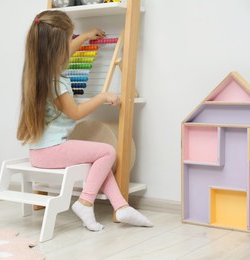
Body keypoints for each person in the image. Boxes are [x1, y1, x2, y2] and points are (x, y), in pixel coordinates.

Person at [17, 10, 153, 231]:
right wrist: (102, 96)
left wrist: (84, 36)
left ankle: (121, 207)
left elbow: (65, 53)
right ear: (56, 50)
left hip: (40, 152)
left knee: (97, 161)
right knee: (107, 151)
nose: (69, 47)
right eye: (67, 41)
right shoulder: (56, 83)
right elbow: (76, 113)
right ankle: (85, 202)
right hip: (51, 151)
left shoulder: (41, 71)